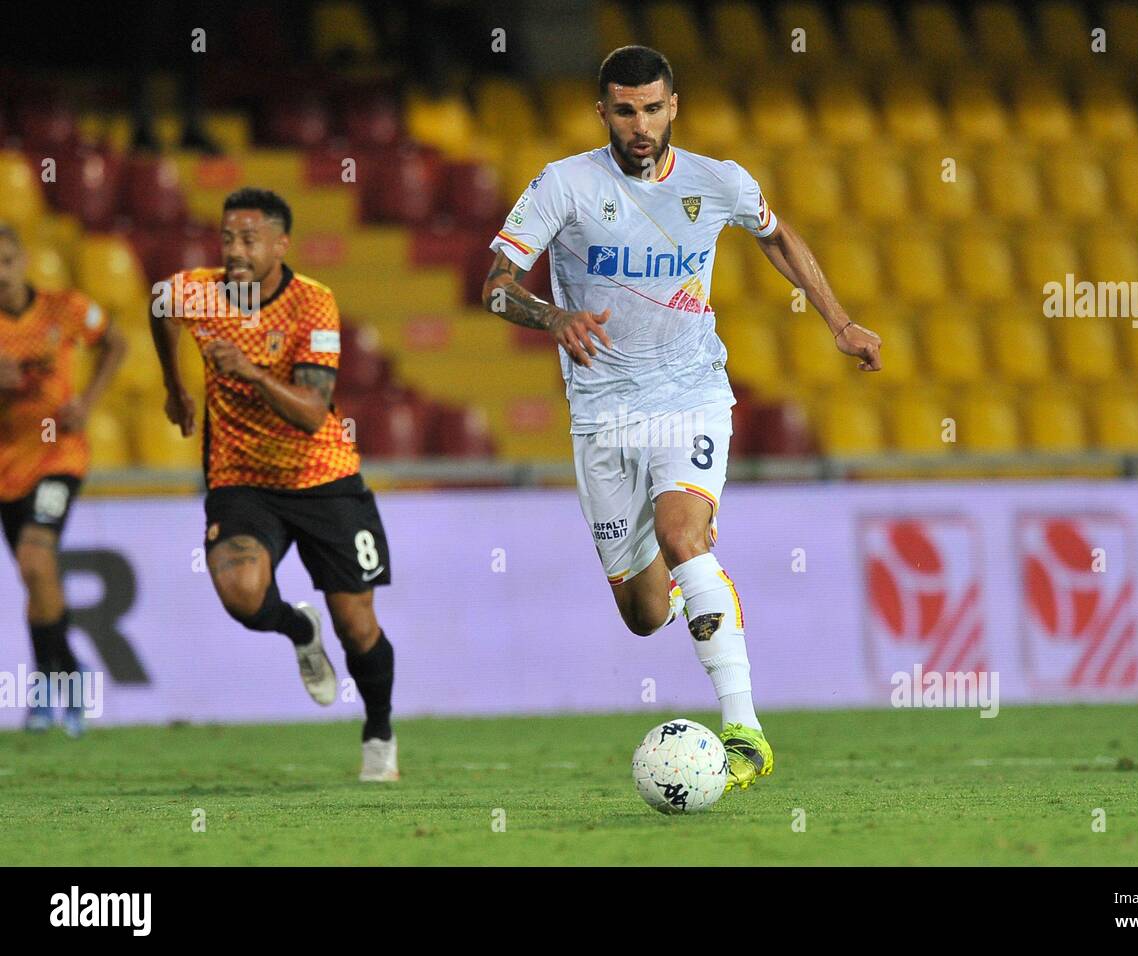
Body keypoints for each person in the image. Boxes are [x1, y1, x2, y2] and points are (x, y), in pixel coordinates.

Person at [480, 46, 882, 792]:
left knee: (681, 533)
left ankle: (745, 731)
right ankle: (693, 584)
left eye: (653, 108)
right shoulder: (563, 185)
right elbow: (496, 287)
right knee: (641, 612)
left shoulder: (716, 180)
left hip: (689, 391)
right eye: (625, 111)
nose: (641, 125)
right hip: (602, 413)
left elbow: (778, 237)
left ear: (675, 106)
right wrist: (550, 314)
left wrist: (841, 322)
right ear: (603, 112)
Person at [149, 188, 398, 781]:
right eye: (228, 237)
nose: (234, 249)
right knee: (239, 594)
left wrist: (250, 372)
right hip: (242, 477)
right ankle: (296, 627)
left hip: (323, 477)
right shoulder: (196, 290)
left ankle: (379, 733)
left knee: (357, 625)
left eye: (248, 238)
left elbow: (313, 412)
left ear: (281, 244)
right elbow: (159, 305)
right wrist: (174, 385)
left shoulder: (313, 304)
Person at [0, 223, 127, 736]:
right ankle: (60, 683)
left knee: (35, 557)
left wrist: (88, 403)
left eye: (7, 261)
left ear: (24, 261)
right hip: (7, 467)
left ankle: (60, 691)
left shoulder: (65, 308)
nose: (0, 274)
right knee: (38, 576)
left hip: (59, 457)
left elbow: (115, 342)